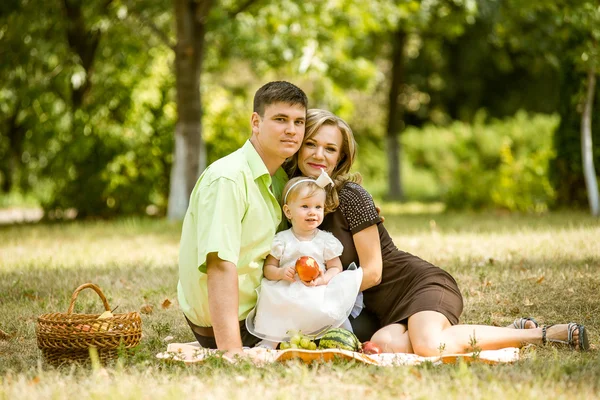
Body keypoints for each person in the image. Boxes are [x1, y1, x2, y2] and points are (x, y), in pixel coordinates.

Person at [284, 108, 590, 355]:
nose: (319, 155)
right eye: (311, 143)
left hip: (416, 285)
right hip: (385, 313)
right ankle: (510, 332)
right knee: (387, 345)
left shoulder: (352, 196)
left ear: (341, 158)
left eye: (330, 148)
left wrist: (322, 288)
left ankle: (544, 335)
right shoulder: (292, 202)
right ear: (297, 146)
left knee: (430, 345)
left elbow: (374, 273)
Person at [177, 81, 308, 358]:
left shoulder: (280, 177)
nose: (291, 130)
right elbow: (220, 266)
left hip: (266, 307)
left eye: (299, 122)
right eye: (281, 119)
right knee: (360, 324)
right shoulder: (228, 179)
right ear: (256, 122)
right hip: (233, 323)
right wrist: (232, 352)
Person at [246, 175, 363, 347]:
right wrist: (280, 272)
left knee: (335, 307)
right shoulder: (282, 240)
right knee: (277, 303)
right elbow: (269, 268)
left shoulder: (325, 240)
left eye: (318, 207)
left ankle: (347, 337)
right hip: (288, 288)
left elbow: (336, 267)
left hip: (316, 287)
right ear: (288, 211)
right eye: (305, 206)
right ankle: (269, 342)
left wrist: (323, 279)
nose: (312, 212)